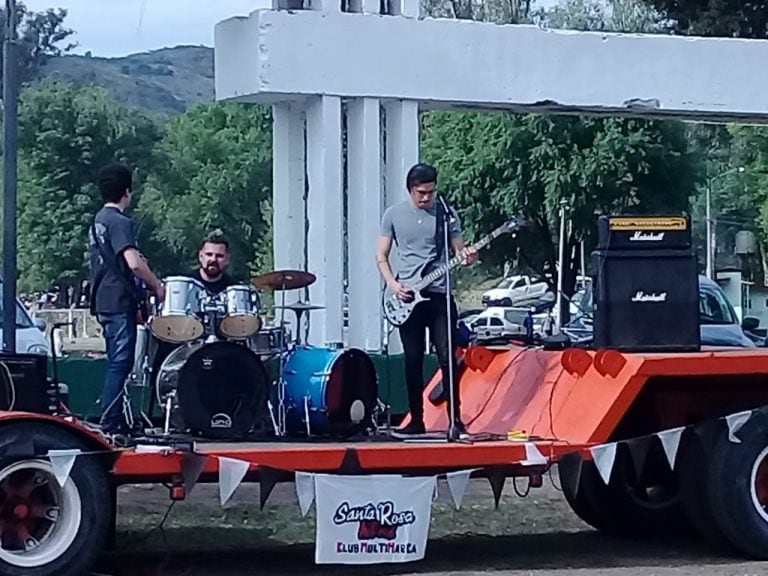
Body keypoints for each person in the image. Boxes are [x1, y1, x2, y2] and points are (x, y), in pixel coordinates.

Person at [376, 162, 477, 436]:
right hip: (407, 296)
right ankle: (416, 420)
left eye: (430, 192)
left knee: (447, 355)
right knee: (413, 359)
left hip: (440, 296)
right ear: (411, 190)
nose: (426, 198)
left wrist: (467, 256)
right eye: (421, 192)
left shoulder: (446, 214)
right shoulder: (393, 214)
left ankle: (455, 420)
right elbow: (381, 255)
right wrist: (392, 284)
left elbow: (459, 249)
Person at [89, 162, 165, 435]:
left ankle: (115, 418)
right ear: (127, 192)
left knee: (114, 360)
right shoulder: (120, 222)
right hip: (119, 300)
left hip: (102, 299)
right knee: (121, 362)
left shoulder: (98, 220)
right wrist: (156, 285)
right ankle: (111, 423)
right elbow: (132, 263)